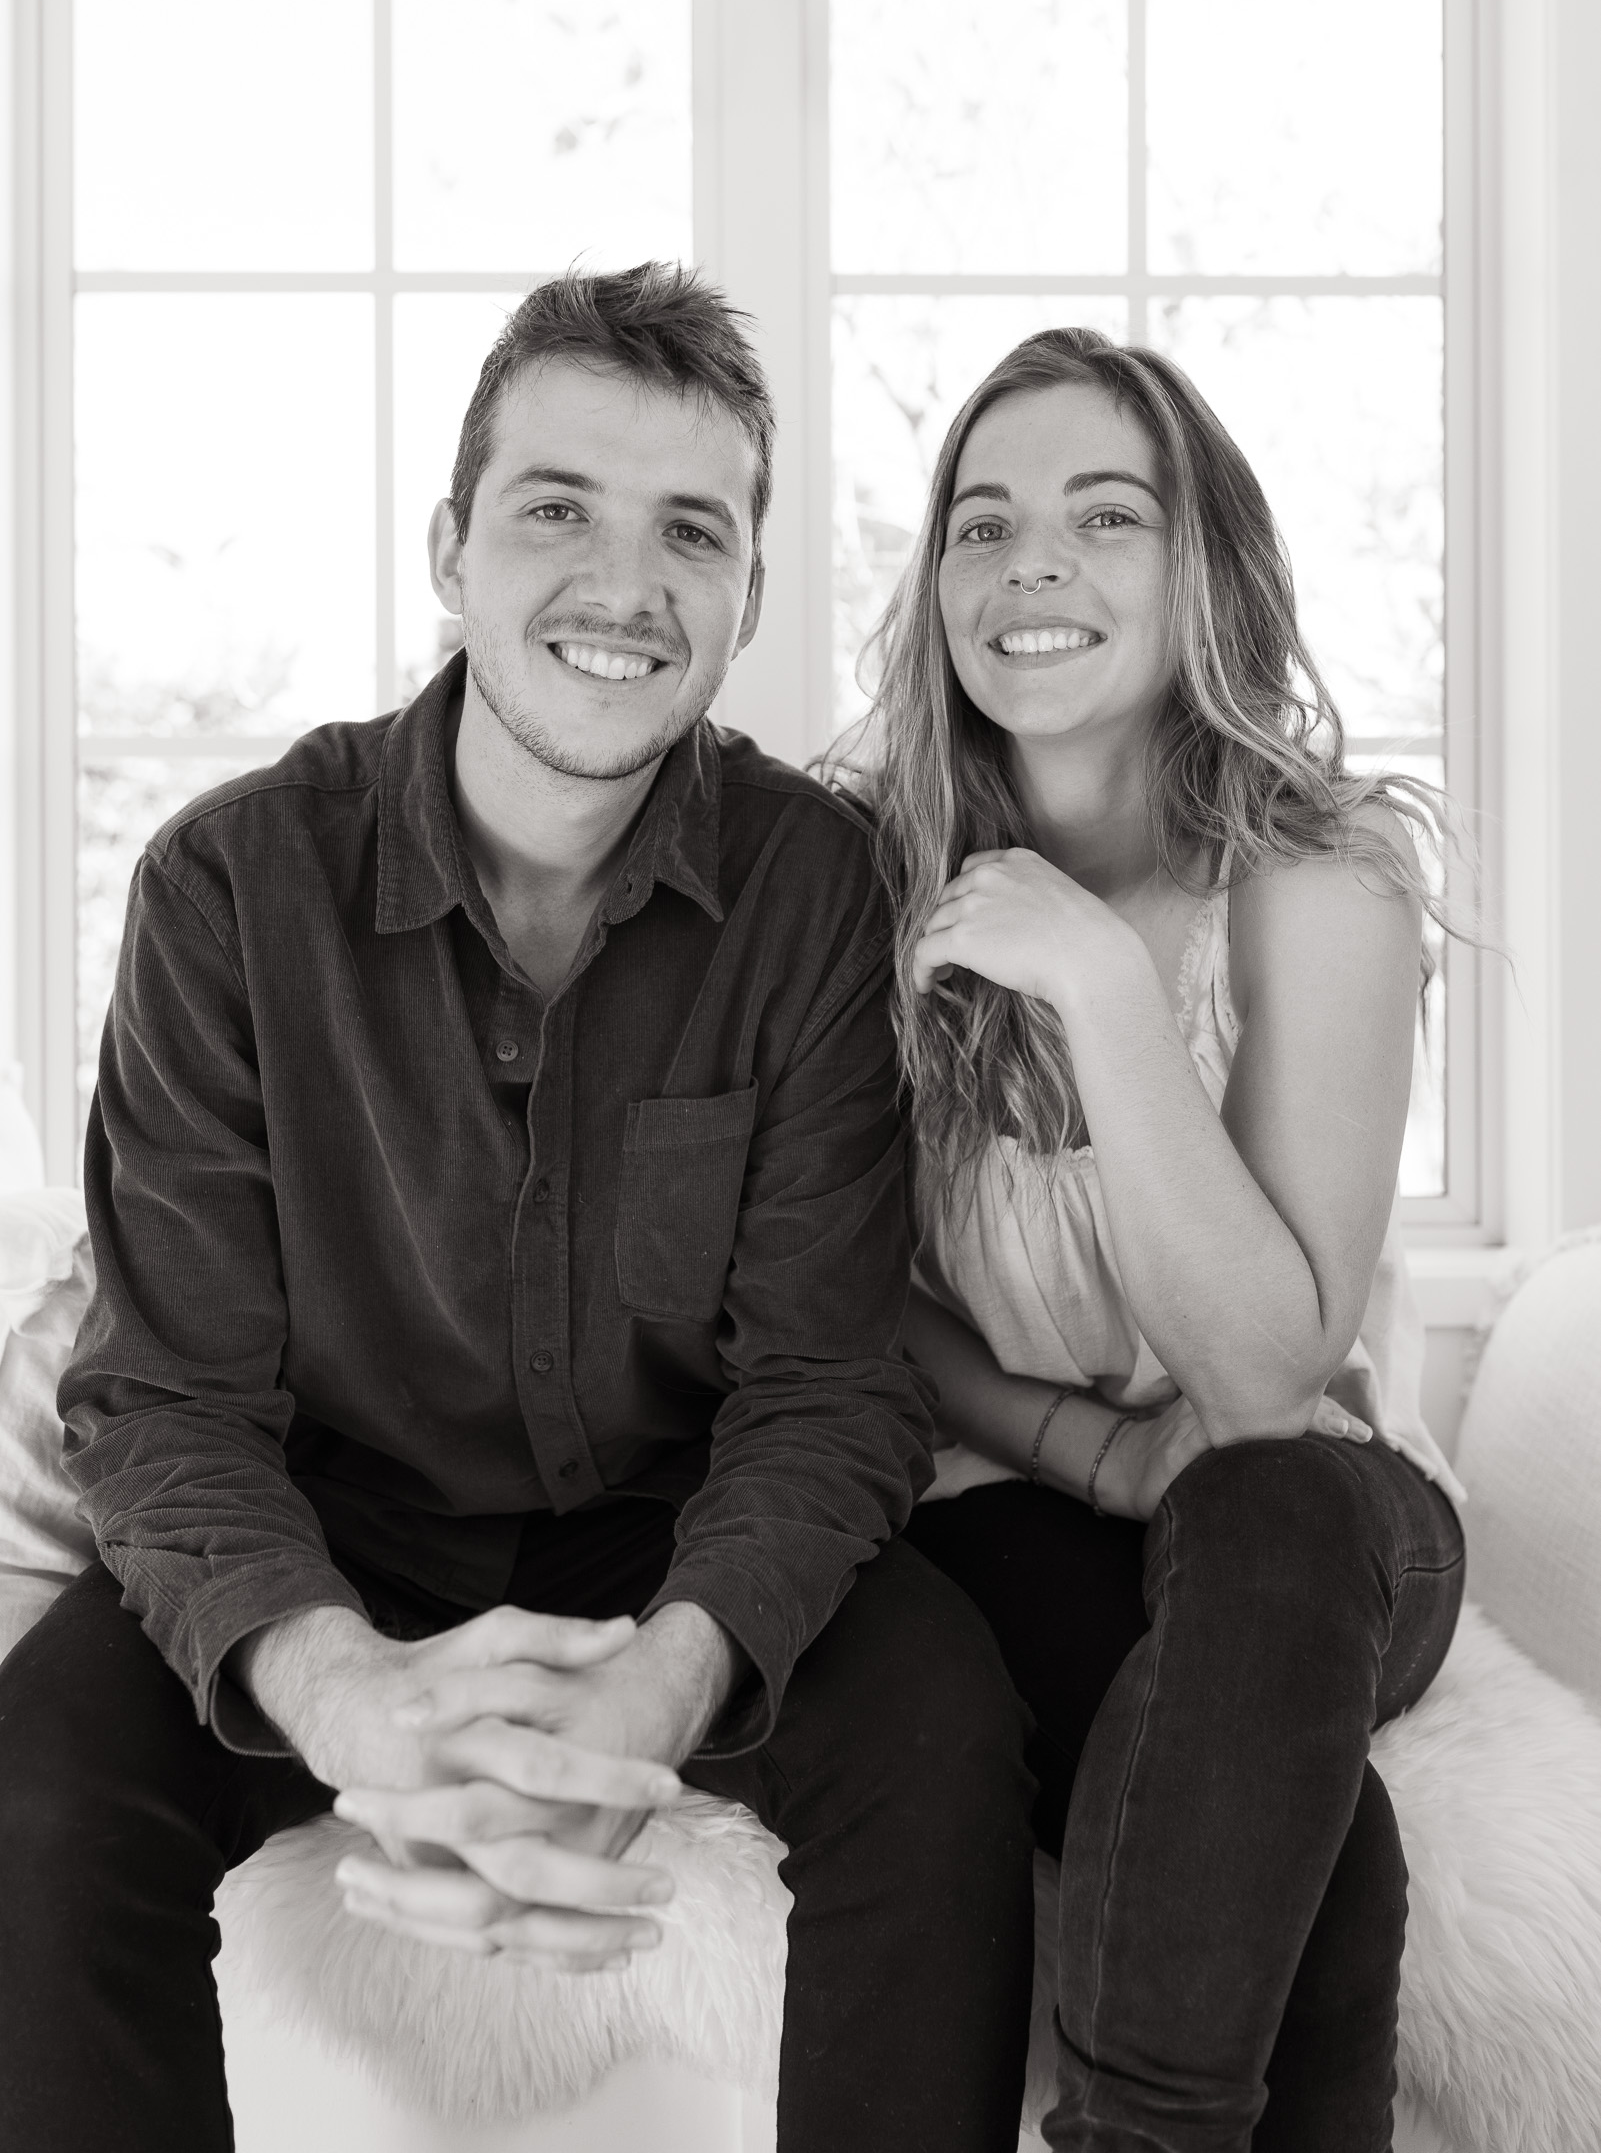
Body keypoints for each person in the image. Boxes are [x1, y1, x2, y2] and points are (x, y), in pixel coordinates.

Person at [0, 266, 1040, 2153]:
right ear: (449, 548)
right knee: (40, 1791)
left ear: (742, 595)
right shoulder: (229, 889)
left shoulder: (814, 892)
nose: (621, 589)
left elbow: (826, 1383)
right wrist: (346, 1700)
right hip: (334, 1520)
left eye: (689, 534)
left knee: (941, 1727)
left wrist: (663, 1679)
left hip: (670, 1525)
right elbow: (165, 1403)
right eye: (556, 507)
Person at [847, 325, 1467, 2152]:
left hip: (1325, 1513)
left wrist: (1101, 989)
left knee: (1263, 1508)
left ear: (1201, 568)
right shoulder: (858, 876)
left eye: (1103, 516)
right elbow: (860, 1302)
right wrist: (1095, 1454)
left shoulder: (1321, 873)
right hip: (1017, 1492)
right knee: (1317, 1853)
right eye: (982, 522)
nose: (1029, 563)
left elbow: (1269, 1378)